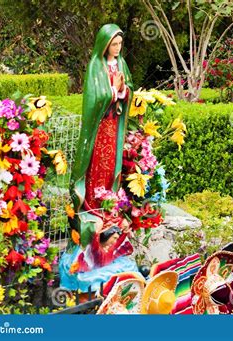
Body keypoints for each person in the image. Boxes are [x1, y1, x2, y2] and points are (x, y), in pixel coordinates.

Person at [70, 23, 134, 247]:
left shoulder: (121, 63)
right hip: (99, 127)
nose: (117, 48)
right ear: (104, 45)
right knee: (97, 164)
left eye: (119, 44)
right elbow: (94, 97)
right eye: (113, 44)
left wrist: (123, 91)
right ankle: (92, 205)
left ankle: (110, 204)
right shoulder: (95, 66)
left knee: (110, 165)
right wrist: (113, 91)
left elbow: (130, 89)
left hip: (114, 127)